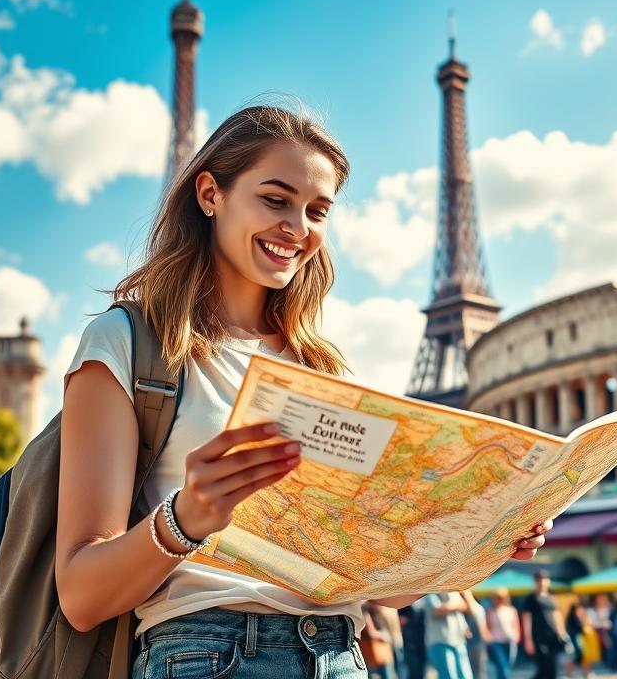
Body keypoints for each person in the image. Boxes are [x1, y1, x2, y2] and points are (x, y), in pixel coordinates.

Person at [53, 104, 555, 679]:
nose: (298, 226)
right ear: (210, 194)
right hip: (207, 654)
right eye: (275, 199)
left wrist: (479, 538)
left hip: (341, 654)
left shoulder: (323, 368)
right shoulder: (127, 342)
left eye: (317, 210)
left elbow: (377, 588)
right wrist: (186, 517)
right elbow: (82, 595)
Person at [522, 569, 569, 679]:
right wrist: (528, 640)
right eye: (539, 579)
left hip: (553, 637)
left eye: (544, 579)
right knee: (544, 667)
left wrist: (562, 633)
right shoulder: (531, 599)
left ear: (548, 581)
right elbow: (526, 619)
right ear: (535, 582)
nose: (542, 582)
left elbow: (557, 616)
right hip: (538, 638)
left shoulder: (551, 598)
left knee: (552, 669)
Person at [422, 592, 474, 679]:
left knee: (466, 676)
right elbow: (435, 611)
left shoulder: (455, 592)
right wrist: (458, 605)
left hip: (458, 640)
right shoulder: (431, 592)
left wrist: (464, 626)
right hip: (440, 641)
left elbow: (466, 607)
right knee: (448, 676)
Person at [486, 589, 521, 679]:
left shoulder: (511, 610)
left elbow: (516, 626)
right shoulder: (491, 611)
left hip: (510, 641)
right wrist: (489, 639)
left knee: (507, 667)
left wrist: (516, 637)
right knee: (502, 667)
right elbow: (488, 627)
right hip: (496, 642)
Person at [363, 603, 398, 679]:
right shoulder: (366, 612)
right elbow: (372, 633)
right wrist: (385, 636)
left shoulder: (377, 612)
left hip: (379, 653)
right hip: (377, 653)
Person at [464, 591, 491, 679]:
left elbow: (482, 628)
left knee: (477, 671)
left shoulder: (475, 609)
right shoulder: (478, 609)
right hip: (475, 644)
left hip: (476, 644)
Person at [565, 602, 595, 679]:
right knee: (579, 658)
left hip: (580, 642)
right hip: (576, 642)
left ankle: (586, 673)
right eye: (579, 610)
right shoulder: (572, 620)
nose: (580, 611)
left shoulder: (577, 618)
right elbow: (580, 629)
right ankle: (572, 673)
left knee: (583, 658)